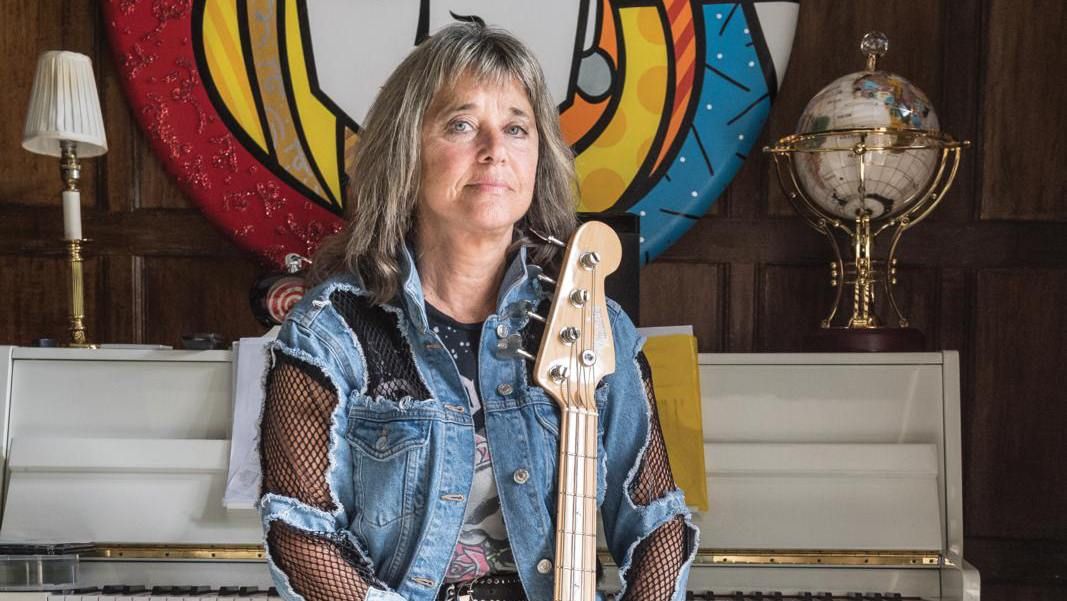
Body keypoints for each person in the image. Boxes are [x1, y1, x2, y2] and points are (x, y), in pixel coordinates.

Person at [258, 22, 697, 601]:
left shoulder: (596, 325)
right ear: (405, 153)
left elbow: (658, 520)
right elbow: (299, 529)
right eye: (461, 125)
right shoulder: (330, 332)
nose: (495, 151)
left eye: (517, 128)